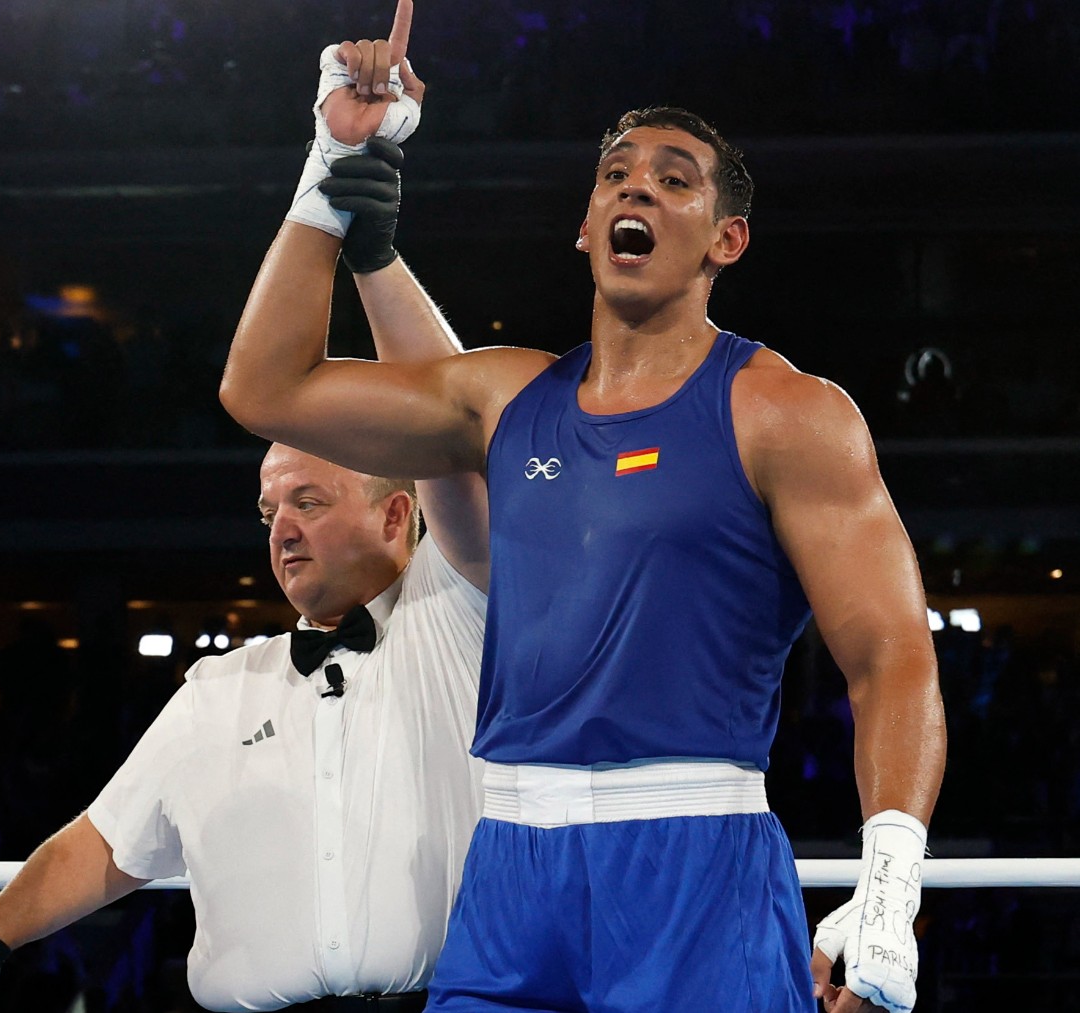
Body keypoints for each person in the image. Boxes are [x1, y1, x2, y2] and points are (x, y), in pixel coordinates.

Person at [218, 5, 947, 1012]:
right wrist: (327, 170)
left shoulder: (786, 412)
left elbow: (892, 650)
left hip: (695, 859)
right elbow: (264, 389)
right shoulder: (508, 400)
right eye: (615, 174)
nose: (636, 183)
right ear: (586, 226)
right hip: (512, 864)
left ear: (725, 240)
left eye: (673, 177)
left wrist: (889, 877)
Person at [0, 211, 491, 1012]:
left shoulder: (458, 617)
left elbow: (456, 429)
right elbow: (109, 842)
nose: (282, 527)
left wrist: (376, 263)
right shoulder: (220, 687)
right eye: (269, 509)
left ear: (396, 518)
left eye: (309, 500)